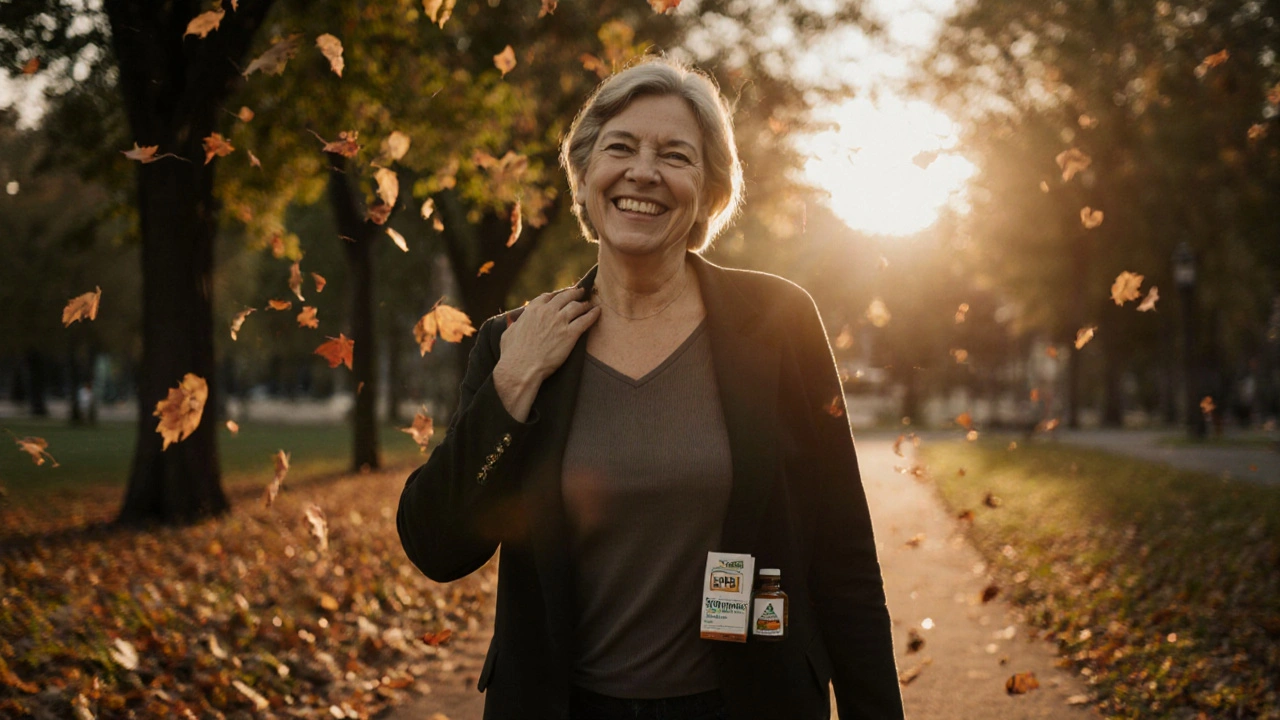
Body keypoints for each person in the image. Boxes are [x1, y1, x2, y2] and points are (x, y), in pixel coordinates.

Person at [398, 56, 904, 720]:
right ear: (584, 176)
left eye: (676, 155)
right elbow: (438, 545)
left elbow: (843, 560)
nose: (643, 171)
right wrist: (513, 384)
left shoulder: (778, 322)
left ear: (709, 191)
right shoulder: (511, 342)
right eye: (621, 147)